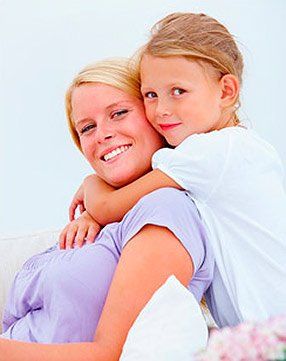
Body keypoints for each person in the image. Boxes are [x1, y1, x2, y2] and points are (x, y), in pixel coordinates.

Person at [70, 13, 286, 328]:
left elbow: (107, 207)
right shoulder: (240, 150)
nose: (161, 110)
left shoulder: (208, 153)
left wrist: (91, 183)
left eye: (178, 92)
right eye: (151, 95)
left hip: (269, 331)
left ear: (226, 91)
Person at [0, 58, 214, 360]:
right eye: (87, 128)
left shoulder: (165, 210)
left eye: (119, 113)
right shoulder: (104, 219)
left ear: (156, 116)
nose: (102, 134)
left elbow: (110, 354)